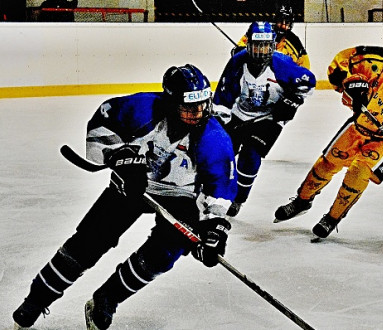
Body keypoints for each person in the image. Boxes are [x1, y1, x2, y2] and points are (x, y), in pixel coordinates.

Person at [12, 64, 237, 329]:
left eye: (201, 105)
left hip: (181, 194)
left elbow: (219, 187)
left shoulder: (214, 138)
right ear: (170, 102)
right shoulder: (144, 107)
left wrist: (213, 229)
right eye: (188, 107)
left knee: (164, 254)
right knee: (88, 242)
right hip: (133, 182)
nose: (196, 114)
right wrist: (119, 156)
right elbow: (102, 122)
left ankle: (107, 299)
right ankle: (36, 300)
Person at [273, 25, 383, 239]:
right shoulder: (376, 59)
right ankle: (302, 201)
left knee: (358, 173)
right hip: (359, 125)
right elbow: (341, 61)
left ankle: (333, 217)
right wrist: (349, 84)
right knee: (327, 164)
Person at [213, 21, 316, 218]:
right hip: (239, 114)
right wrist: (221, 120)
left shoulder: (283, 64)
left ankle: (239, 198)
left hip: (268, 118)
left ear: (273, 45)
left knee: (250, 156)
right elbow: (223, 94)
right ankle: (212, 188)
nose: (260, 51)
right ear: (248, 43)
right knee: (223, 152)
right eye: (256, 45)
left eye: (265, 46)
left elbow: (308, 82)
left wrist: (293, 100)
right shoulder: (237, 62)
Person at [232, 5, 310, 69]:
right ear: (275, 21)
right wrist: (242, 51)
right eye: (280, 21)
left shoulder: (294, 40)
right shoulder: (264, 31)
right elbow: (239, 48)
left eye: (287, 23)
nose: (283, 25)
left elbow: (304, 65)